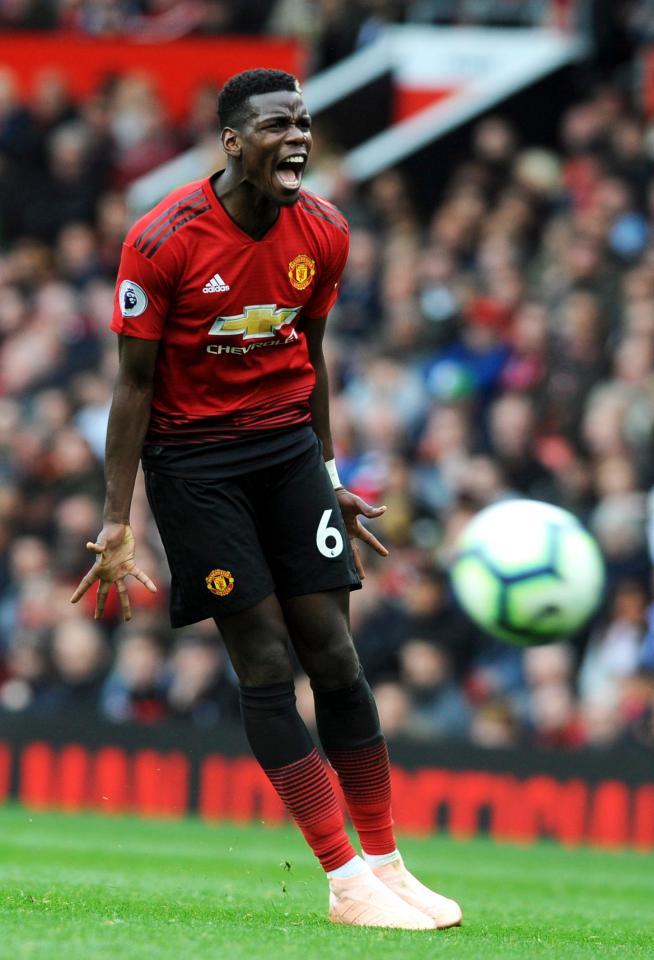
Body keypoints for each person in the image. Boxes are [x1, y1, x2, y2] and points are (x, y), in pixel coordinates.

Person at [71, 68, 462, 931]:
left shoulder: (323, 230)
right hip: (196, 467)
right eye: (278, 124)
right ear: (233, 142)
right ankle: (344, 880)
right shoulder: (162, 238)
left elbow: (310, 357)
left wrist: (327, 474)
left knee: (337, 658)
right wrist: (116, 518)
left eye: (305, 123)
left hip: (287, 453)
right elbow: (132, 387)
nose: (298, 137)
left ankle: (389, 864)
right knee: (268, 667)